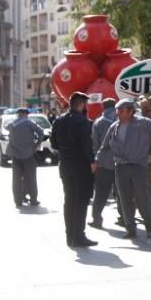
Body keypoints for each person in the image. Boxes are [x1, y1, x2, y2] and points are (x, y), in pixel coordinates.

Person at [96, 98, 151, 239]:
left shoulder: (142, 123)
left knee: (142, 198)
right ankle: (130, 229)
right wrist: (97, 162)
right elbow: (104, 147)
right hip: (120, 168)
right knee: (124, 199)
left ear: (130, 111)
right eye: (117, 110)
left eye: (121, 110)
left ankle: (150, 227)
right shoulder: (114, 127)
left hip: (138, 166)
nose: (117, 113)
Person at [50, 92, 98, 248]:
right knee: (82, 201)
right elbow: (87, 144)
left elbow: (54, 143)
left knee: (69, 201)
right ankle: (79, 236)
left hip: (65, 165)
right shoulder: (83, 122)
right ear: (81, 105)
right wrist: (92, 162)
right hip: (81, 166)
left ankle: (69, 236)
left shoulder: (58, 121)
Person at [89, 98, 124, 229]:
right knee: (122, 192)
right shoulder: (121, 120)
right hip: (121, 162)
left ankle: (97, 219)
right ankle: (125, 219)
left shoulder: (98, 123)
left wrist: (95, 160)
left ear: (102, 108)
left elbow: (95, 145)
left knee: (101, 193)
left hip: (104, 163)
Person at [6, 107, 45, 208]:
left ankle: (18, 201)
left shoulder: (12, 124)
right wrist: (37, 144)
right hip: (28, 154)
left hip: (15, 155)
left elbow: (6, 128)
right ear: (25, 114)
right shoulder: (29, 123)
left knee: (16, 179)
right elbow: (41, 132)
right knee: (31, 177)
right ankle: (33, 199)